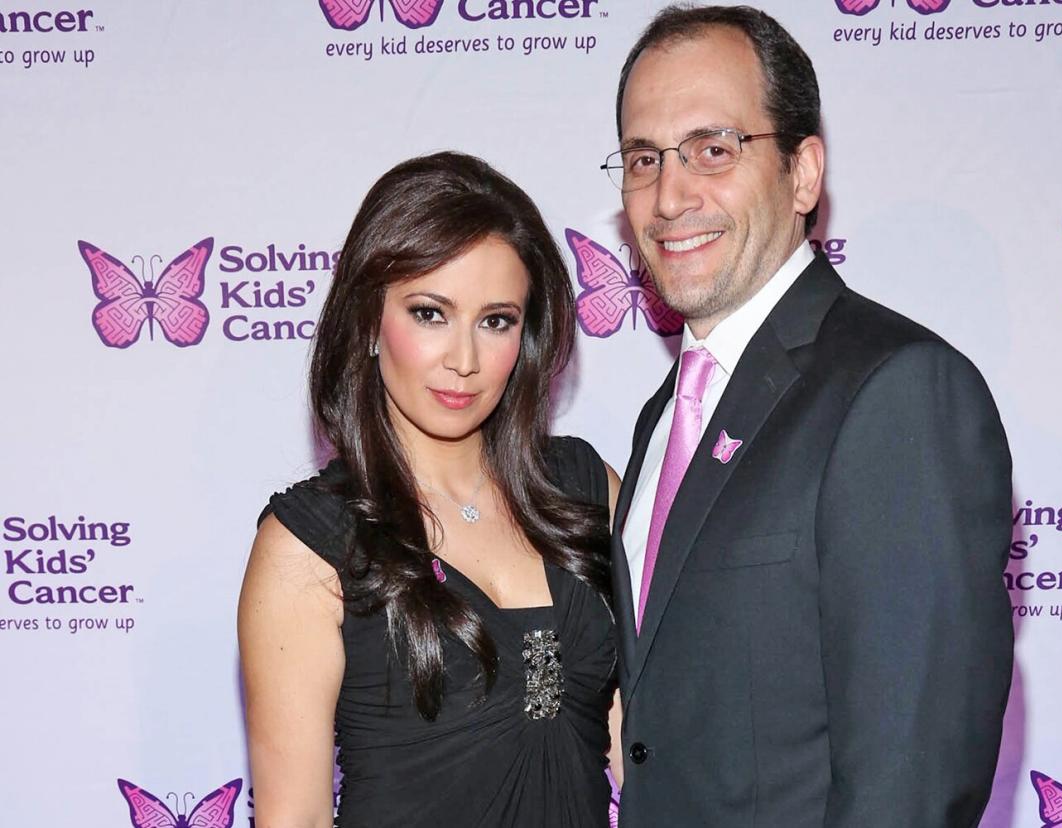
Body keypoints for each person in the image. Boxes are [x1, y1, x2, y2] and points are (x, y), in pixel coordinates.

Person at [603, 6, 1014, 827]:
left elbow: (911, 784)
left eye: (713, 150)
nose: (670, 195)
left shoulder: (897, 392)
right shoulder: (665, 416)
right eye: (644, 158)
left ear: (803, 173)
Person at [238, 152, 623, 828]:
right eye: (429, 313)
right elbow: (292, 817)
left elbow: (646, 751)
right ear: (367, 321)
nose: (465, 360)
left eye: (496, 320)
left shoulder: (585, 491)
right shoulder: (311, 546)